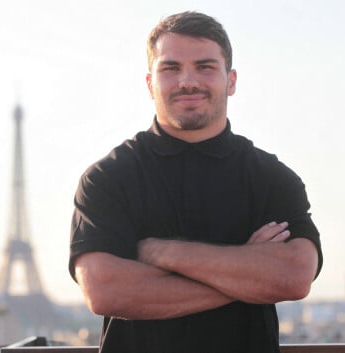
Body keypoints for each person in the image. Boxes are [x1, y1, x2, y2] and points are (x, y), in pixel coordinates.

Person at [69, 11, 322, 353]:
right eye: (171, 68)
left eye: (205, 67)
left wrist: (161, 252)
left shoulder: (272, 177)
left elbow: (294, 276)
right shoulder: (107, 178)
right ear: (149, 84)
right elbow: (104, 291)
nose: (188, 81)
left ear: (230, 80)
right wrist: (246, 274)